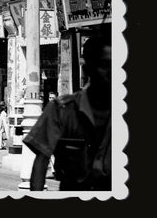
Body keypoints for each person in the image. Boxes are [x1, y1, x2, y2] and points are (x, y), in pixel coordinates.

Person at [25, 35, 112, 191]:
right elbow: (41, 160)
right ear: (88, 69)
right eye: (105, 65)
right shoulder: (61, 110)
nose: (112, 72)